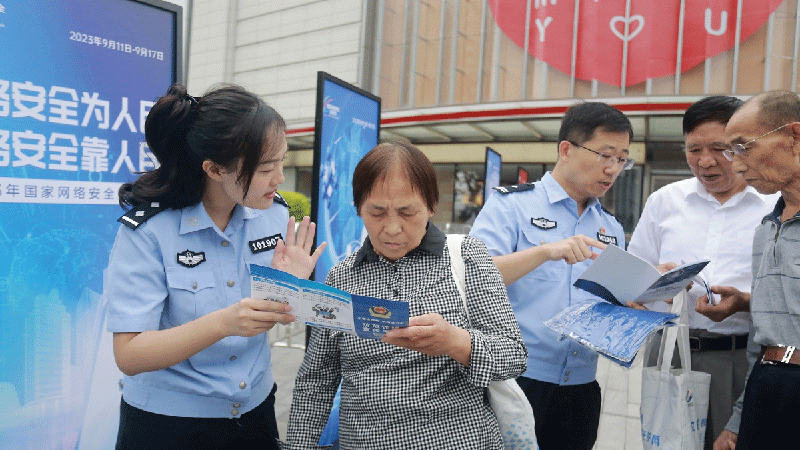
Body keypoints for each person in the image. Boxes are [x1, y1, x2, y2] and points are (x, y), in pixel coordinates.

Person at [104, 83, 325, 450]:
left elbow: (269, 305)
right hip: (169, 426)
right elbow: (129, 354)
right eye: (266, 167)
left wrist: (289, 290)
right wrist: (224, 322)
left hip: (255, 411)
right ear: (215, 168)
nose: (280, 178)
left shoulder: (275, 215)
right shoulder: (149, 233)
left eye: (281, 161)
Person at [285, 141, 527, 449]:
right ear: (359, 208)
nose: (392, 228)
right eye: (377, 212)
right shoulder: (341, 276)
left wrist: (455, 342)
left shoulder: (467, 256)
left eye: (407, 212)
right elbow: (317, 379)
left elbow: (513, 355)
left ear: (430, 205)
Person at [470, 101, 632, 450]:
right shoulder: (511, 205)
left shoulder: (611, 228)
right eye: (605, 155)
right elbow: (475, 276)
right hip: (517, 380)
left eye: (622, 159)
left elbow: (615, 303)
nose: (613, 168)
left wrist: (647, 294)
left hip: (582, 387)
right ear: (566, 150)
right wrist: (544, 251)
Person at [626, 96, 779, 450]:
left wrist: (743, 304)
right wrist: (649, 287)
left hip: (742, 356)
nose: (705, 162)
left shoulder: (774, 204)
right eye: (693, 149)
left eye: (720, 149)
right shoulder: (665, 200)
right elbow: (634, 283)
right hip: (669, 354)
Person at [712, 90, 800, 450]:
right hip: (767, 386)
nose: (735, 164)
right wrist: (737, 420)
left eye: (742, 146)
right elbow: (760, 340)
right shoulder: (767, 228)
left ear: (794, 136)